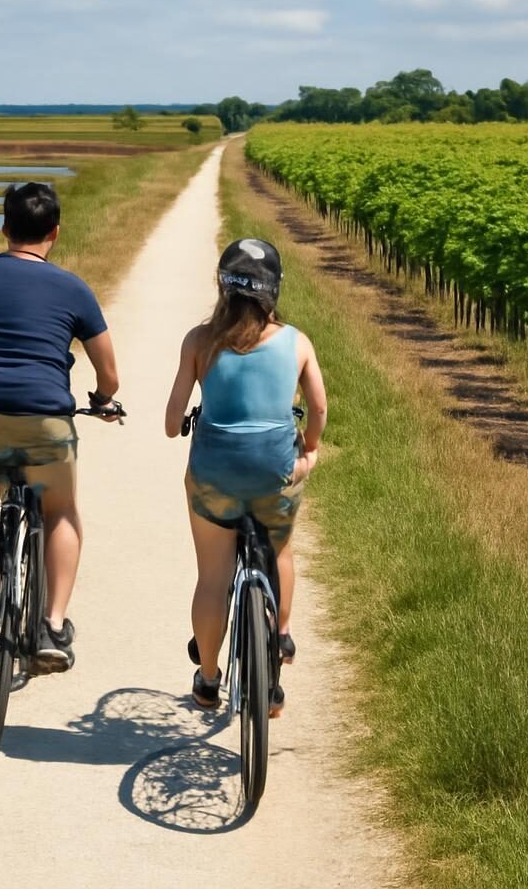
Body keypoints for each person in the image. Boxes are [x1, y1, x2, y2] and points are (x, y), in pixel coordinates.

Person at [0, 181, 121, 673]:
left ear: (4, 228)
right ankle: (51, 626)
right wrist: (103, 400)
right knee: (60, 509)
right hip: (43, 417)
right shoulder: (72, 287)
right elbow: (108, 371)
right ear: (56, 233)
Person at [164, 238, 327, 713]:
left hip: (214, 474)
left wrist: (187, 417)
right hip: (274, 470)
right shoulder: (296, 341)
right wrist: (310, 450)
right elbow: (317, 408)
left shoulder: (199, 341)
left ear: (223, 286)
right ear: (272, 289)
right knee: (279, 548)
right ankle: (280, 637)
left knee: (213, 576)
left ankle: (210, 679)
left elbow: (172, 424)